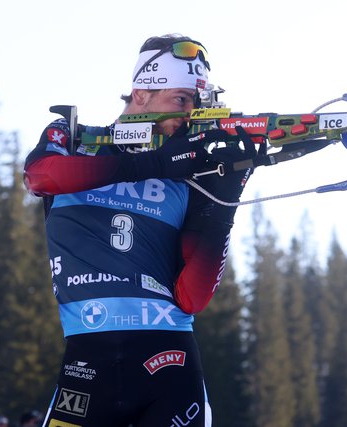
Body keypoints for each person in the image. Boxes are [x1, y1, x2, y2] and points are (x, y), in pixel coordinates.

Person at [24, 34, 257, 427]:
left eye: (196, 104)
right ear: (141, 93)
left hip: (170, 362)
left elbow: (193, 298)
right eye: (180, 100)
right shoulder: (76, 138)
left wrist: (224, 198)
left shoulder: (191, 174)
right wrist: (153, 165)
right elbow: (40, 176)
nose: (187, 114)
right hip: (88, 362)